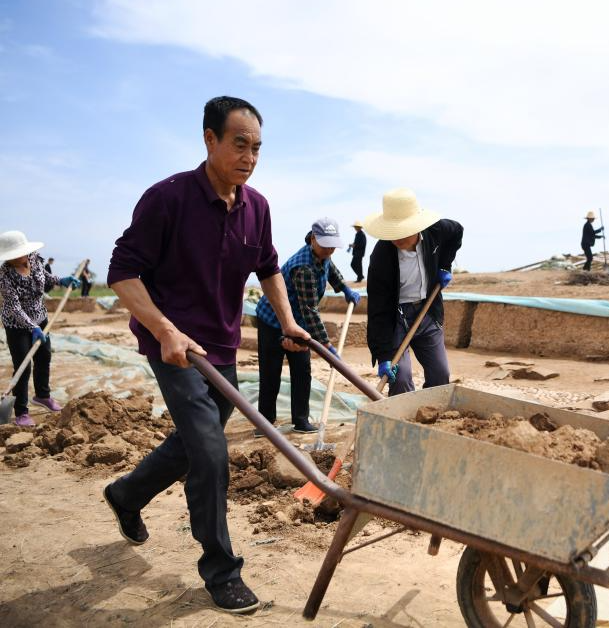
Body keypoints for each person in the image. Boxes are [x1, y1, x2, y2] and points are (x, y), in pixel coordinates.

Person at [103, 97, 310, 614]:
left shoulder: (256, 207)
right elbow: (122, 272)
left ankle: (127, 495)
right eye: (239, 144)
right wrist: (165, 330)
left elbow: (268, 267)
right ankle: (221, 571)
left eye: (257, 148)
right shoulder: (167, 198)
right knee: (211, 451)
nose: (249, 157)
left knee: (197, 440)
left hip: (220, 345)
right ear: (210, 139)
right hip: (173, 346)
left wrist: (288, 321)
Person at [255, 218, 360, 435]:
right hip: (272, 320)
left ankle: (301, 421)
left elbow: (332, 271)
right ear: (313, 239)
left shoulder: (323, 255)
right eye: (325, 245)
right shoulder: (303, 268)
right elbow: (310, 310)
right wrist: (326, 346)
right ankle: (264, 423)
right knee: (271, 371)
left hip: (299, 321)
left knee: (302, 369)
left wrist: (345, 289)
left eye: (332, 245)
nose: (329, 250)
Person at [365, 188, 463, 396]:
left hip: (427, 310)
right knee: (400, 378)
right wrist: (384, 355)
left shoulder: (436, 231)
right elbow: (377, 309)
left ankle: (432, 411)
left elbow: (457, 232)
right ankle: (400, 414)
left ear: (416, 226)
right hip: (396, 318)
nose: (396, 238)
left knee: (440, 374)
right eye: (392, 232)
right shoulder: (381, 256)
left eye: (402, 231)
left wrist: (445, 266)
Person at [0, 230, 80, 427]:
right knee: (23, 365)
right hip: (17, 324)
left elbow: (44, 277)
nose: (19, 257)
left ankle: (42, 396)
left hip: (40, 317)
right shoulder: (4, 275)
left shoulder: (34, 259)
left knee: (44, 357)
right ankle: (21, 411)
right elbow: (14, 307)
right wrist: (32, 327)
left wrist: (61, 280)